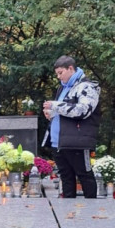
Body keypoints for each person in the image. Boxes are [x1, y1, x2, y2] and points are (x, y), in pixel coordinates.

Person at [42, 55, 101, 198]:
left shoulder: (87, 86)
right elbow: (64, 111)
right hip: (58, 142)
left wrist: (55, 105)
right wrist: (52, 114)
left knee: (84, 175)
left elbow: (83, 110)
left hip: (78, 142)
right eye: (57, 74)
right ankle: (68, 214)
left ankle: (91, 212)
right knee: (66, 178)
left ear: (70, 68)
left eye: (60, 73)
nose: (58, 77)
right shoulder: (62, 88)